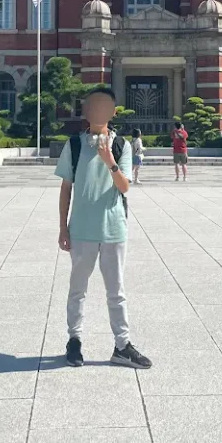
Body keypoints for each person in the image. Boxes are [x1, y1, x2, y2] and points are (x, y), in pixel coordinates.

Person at [56, 87, 151, 370]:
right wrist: (63, 227)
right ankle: (74, 341)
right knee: (78, 289)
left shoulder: (120, 144)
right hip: (82, 229)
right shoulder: (74, 144)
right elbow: (65, 189)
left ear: (113, 112)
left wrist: (109, 160)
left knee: (116, 291)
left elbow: (124, 187)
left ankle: (122, 346)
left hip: (113, 229)